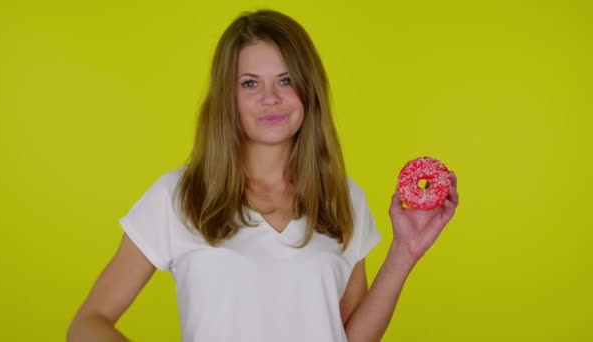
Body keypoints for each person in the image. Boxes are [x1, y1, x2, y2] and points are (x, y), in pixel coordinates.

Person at [67, 9, 459, 342]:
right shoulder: (179, 195)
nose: (270, 97)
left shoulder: (343, 197)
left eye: (285, 81)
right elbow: (88, 324)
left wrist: (404, 252)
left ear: (308, 91)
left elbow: (350, 334)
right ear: (229, 97)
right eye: (250, 83)